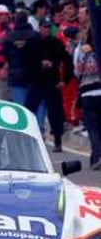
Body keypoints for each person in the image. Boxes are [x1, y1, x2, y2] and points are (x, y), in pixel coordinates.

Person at [25, 17, 71, 152]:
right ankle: (28, 138)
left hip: (52, 82)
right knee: (29, 111)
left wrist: (65, 80)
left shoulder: (56, 43)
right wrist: (39, 64)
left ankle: (58, 141)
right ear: (39, 28)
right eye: (44, 27)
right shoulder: (32, 43)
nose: (47, 30)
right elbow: (25, 62)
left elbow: (67, 60)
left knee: (55, 113)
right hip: (36, 82)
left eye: (48, 27)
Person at [74, 29, 101, 169]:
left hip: (87, 93)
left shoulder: (83, 50)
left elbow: (77, 71)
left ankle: (96, 156)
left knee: (92, 127)